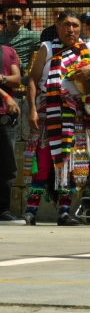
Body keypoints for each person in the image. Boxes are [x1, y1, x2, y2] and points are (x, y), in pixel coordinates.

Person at [22, 10, 90, 226]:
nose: (70, 29)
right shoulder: (47, 48)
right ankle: (30, 211)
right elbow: (33, 80)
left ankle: (64, 211)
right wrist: (33, 110)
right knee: (43, 162)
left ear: (80, 28)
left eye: (74, 25)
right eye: (66, 25)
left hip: (76, 116)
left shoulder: (88, 49)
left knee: (70, 165)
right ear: (58, 25)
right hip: (47, 114)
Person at [0, 44, 23, 225]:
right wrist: (6, 96)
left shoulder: (8, 51)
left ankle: (3, 210)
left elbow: (17, 80)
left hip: (5, 117)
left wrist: (2, 78)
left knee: (8, 166)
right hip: (6, 104)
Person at [0, 6, 40, 73]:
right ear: (5, 19)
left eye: (17, 17)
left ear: (22, 19)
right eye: (10, 17)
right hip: (3, 71)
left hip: (21, 72)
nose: (13, 20)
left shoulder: (31, 36)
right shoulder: (1, 34)